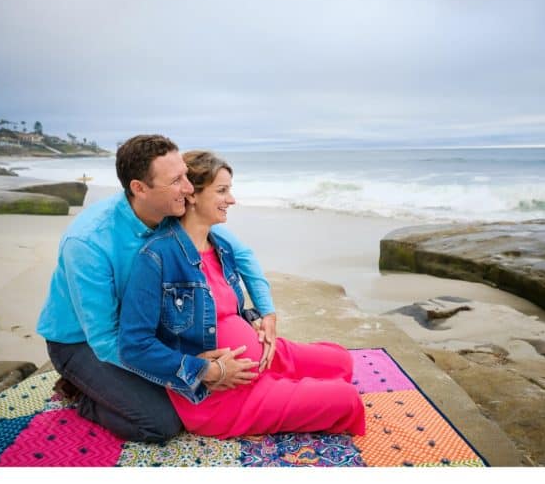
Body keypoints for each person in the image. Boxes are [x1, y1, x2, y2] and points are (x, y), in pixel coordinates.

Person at [36, 134, 277, 442]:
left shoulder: (170, 212)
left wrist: (265, 311)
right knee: (162, 422)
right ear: (139, 188)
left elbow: (241, 253)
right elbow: (106, 340)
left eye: (186, 177)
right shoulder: (87, 244)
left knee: (198, 389)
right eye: (177, 181)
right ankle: (83, 395)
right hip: (81, 343)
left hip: (142, 331)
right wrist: (198, 370)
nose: (189, 190)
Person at [118, 151, 365, 439]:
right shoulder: (157, 257)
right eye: (222, 191)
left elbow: (223, 312)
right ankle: (279, 390)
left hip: (264, 361)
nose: (232, 200)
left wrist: (256, 323)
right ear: (193, 195)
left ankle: (281, 378)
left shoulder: (221, 246)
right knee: (347, 400)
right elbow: (134, 346)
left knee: (342, 360)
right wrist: (206, 370)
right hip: (223, 395)